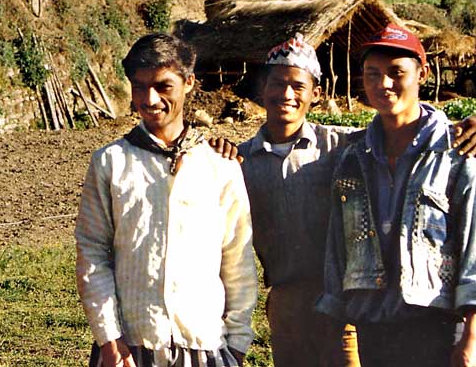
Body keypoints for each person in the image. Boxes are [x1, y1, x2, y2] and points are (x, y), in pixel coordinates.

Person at [75, 32, 257, 367]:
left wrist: (238, 342)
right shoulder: (111, 162)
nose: (150, 99)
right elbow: (92, 253)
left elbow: (237, 258)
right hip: (131, 345)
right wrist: (110, 339)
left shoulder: (220, 165)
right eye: (139, 86)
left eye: (163, 86)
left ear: (189, 83)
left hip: (204, 343)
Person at [317, 24, 476, 367]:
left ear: (423, 74)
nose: (383, 84)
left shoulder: (457, 154)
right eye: (372, 74)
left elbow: (473, 248)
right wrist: (336, 327)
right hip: (373, 326)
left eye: (396, 73)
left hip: (436, 325)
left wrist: (471, 337)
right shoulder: (352, 157)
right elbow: (337, 249)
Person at [238, 35, 360, 367]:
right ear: (263, 88)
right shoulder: (239, 161)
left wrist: (461, 127)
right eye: (278, 84)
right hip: (286, 302)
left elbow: (402, 134)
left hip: (341, 303)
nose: (286, 94)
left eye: (298, 86)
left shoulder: (339, 145)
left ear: (315, 94)